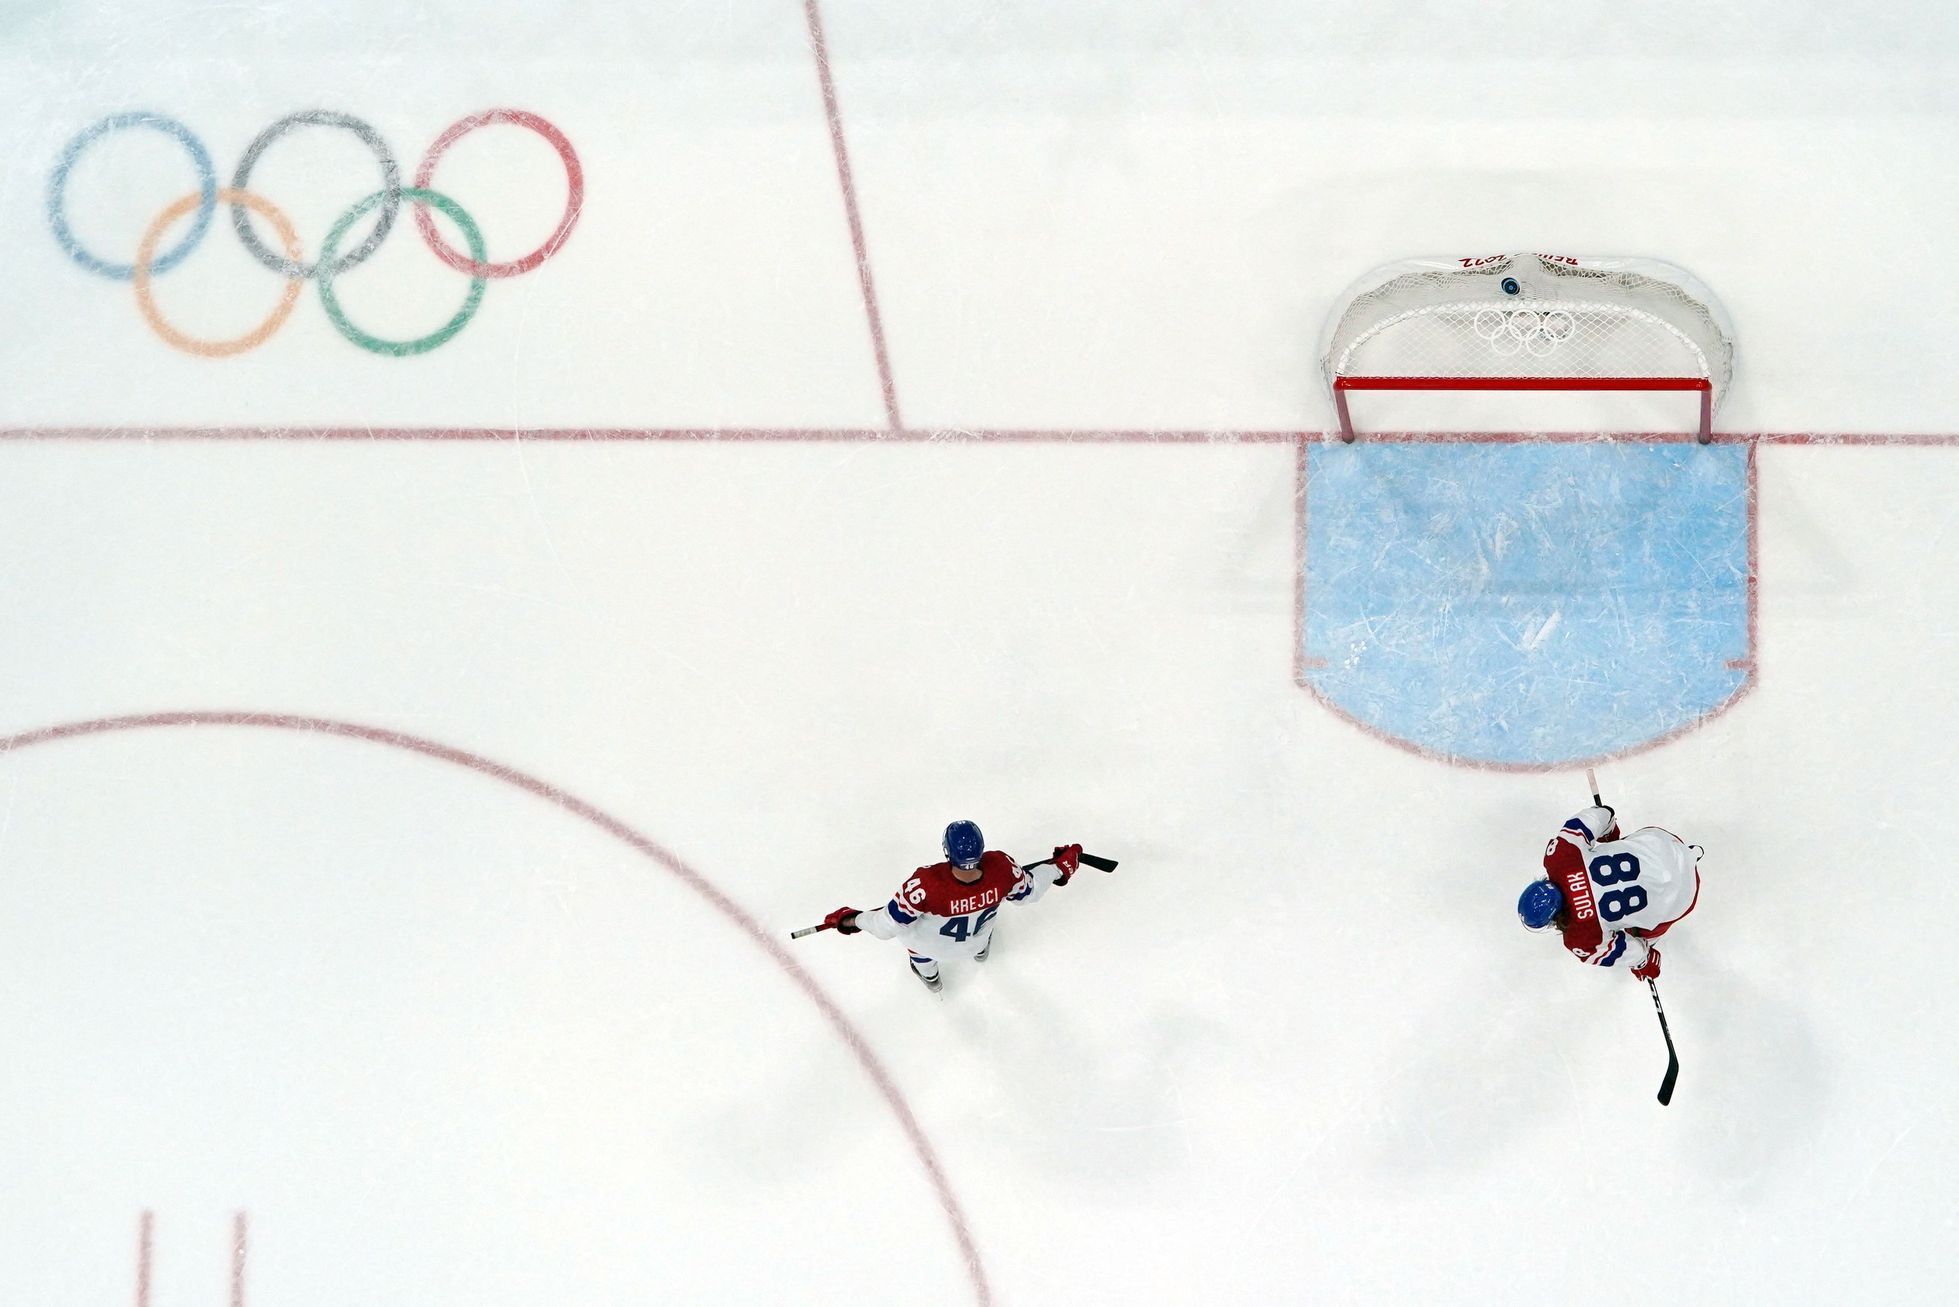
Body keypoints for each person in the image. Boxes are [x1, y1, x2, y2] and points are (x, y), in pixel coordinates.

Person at [820, 821, 1082, 991]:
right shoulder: (1002, 869)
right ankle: (980, 954)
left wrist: (851, 919)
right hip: (975, 940)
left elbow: (884, 927)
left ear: (947, 852)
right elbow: (1029, 892)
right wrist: (1059, 868)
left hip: (928, 947)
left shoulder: (926, 884)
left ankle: (932, 980)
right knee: (982, 932)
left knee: (918, 949)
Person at [1517, 804, 1702, 982]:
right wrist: (1609, 830)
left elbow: (1631, 952)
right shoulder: (1560, 857)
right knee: (1629, 846)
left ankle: (1647, 938)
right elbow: (1598, 815)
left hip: (1681, 893)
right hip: (1665, 845)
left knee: (1639, 934)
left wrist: (1643, 961)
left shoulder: (1580, 938)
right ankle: (1689, 855)